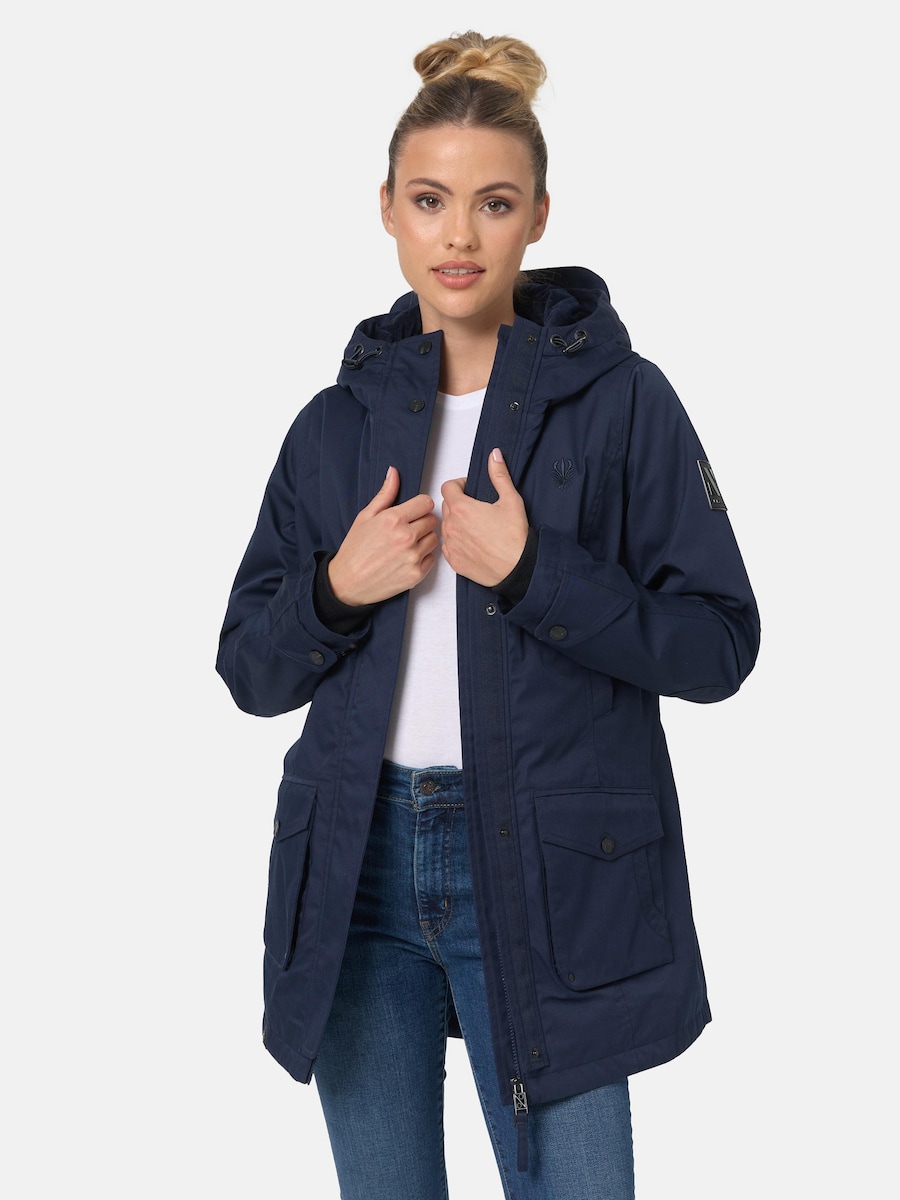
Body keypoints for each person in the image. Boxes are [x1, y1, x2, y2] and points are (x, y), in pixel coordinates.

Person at [216, 30, 760, 1200]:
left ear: (540, 217)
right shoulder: (332, 424)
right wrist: (336, 588)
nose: (458, 236)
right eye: (430, 199)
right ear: (387, 210)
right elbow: (250, 670)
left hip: (550, 864)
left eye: (494, 203)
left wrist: (533, 574)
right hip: (359, 861)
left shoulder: (625, 404)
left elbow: (720, 642)